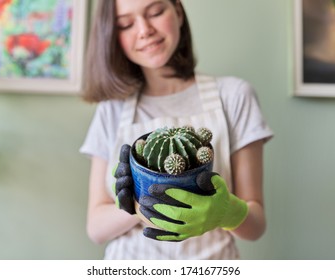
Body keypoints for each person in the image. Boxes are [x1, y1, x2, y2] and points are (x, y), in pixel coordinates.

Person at [80, 0, 273, 259]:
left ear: (178, 13)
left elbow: (256, 225)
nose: (144, 29)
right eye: (126, 24)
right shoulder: (111, 110)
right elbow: (95, 229)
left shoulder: (234, 95)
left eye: (156, 12)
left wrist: (227, 211)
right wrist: (136, 206)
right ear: (113, 36)